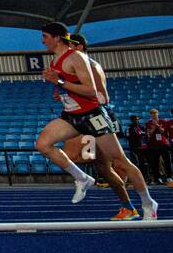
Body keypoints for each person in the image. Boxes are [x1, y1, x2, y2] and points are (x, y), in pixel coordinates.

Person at [34, 23, 150, 219]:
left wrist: (60, 83)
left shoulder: (80, 59)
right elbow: (68, 88)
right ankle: (83, 179)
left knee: (119, 163)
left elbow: (93, 92)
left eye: (45, 36)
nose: (42, 40)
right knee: (43, 144)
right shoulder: (55, 61)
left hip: (93, 116)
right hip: (72, 116)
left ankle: (147, 203)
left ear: (58, 38)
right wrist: (61, 93)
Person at [67, 32, 155, 219]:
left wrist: (82, 98)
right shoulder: (77, 67)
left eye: (70, 45)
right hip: (87, 117)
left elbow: (103, 97)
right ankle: (128, 208)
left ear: (79, 47)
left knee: (119, 162)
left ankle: (148, 202)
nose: (66, 50)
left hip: (98, 115)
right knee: (102, 167)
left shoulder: (91, 65)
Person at [144, 109, 173, 187]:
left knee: (167, 161)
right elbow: (149, 133)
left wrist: (157, 125)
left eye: (155, 113)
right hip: (153, 145)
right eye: (152, 114)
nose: (154, 115)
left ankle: (169, 177)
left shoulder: (164, 122)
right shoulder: (148, 123)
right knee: (155, 162)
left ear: (158, 113)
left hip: (163, 144)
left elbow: (164, 132)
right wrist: (153, 127)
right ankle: (157, 178)